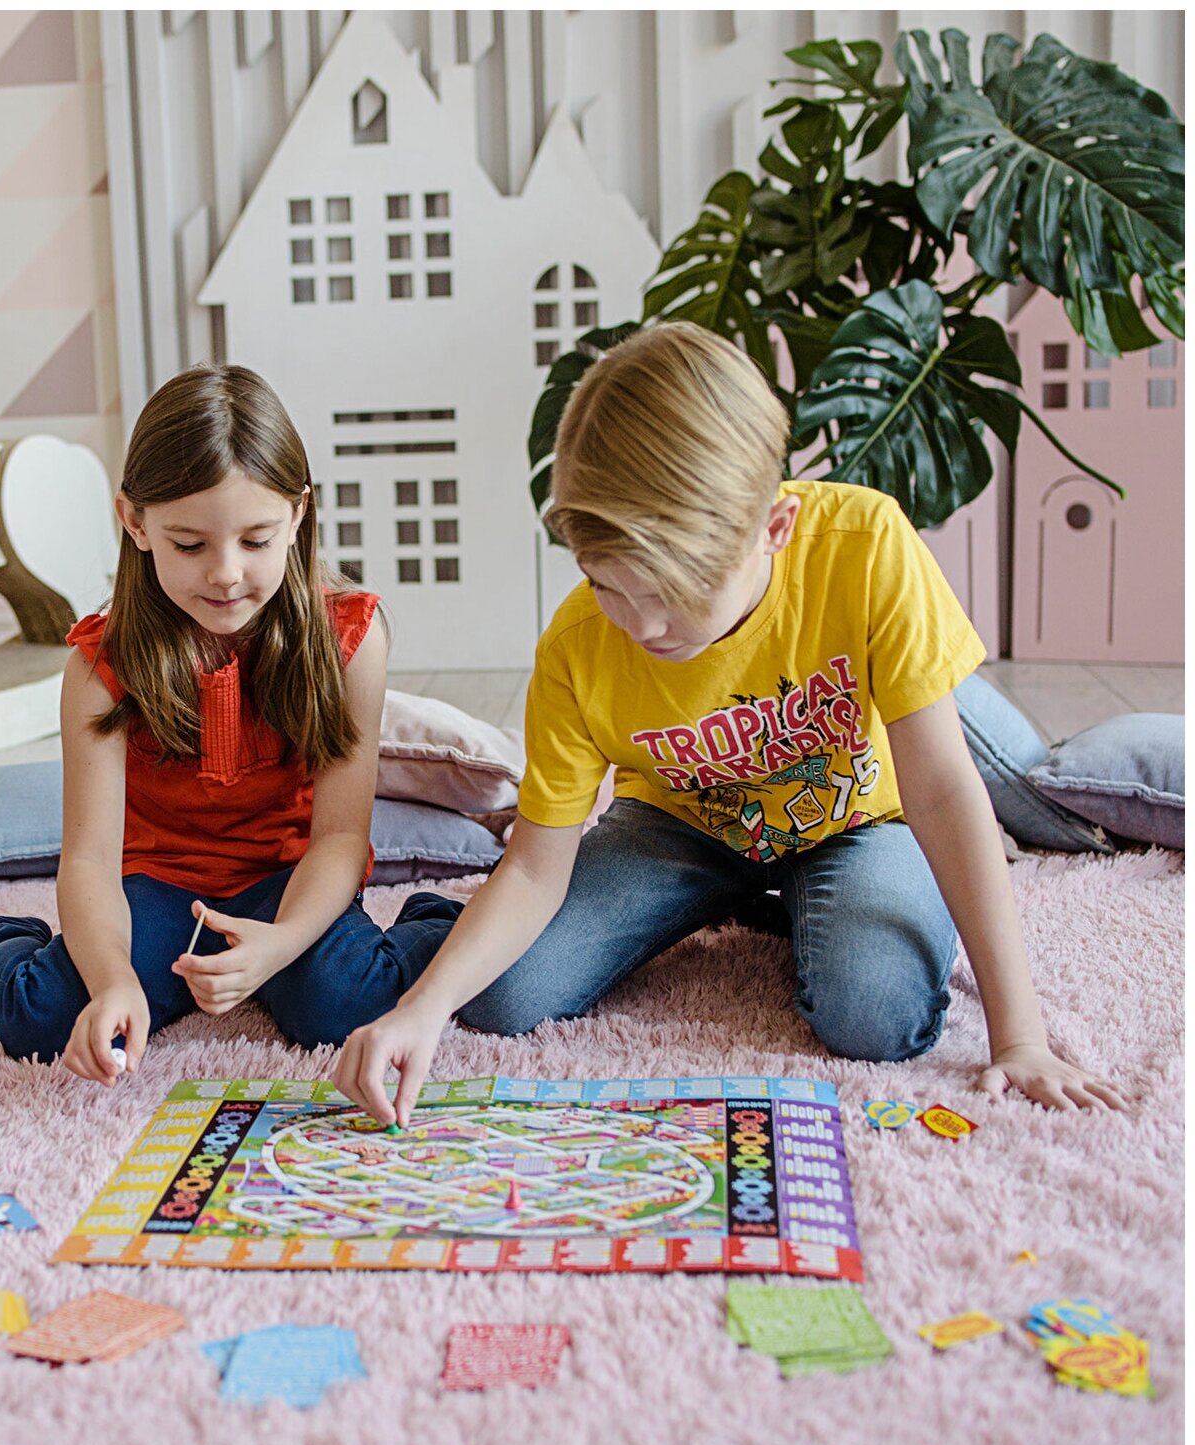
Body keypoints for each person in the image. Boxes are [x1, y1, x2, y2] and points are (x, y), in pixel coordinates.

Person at [335, 322, 1128, 1125]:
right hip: (681, 825)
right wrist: (425, 1006)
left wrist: (1019, 1036)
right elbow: (537, 871)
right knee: (503, 996)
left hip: (859, 817)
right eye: (607, 586)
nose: (642, 626)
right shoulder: (578, 646)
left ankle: (797, 898)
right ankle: (731, 899)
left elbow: (944, 792)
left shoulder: (865, 546)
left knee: (875, 1016)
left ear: (774, 530)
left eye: (674, 594)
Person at [0, 364, 459, 1083]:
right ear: (135, 522)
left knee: (342, 1004)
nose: (225, 573)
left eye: (256, 540)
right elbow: (89, 860)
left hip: (289, 882)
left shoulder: (349, 640)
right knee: (45, 1016)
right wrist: (113, 978)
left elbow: (340, 837)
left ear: (298, 516)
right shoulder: (98, 666)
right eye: (189, 544)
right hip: (154, 887)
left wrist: (281, 943)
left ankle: (431, 919)